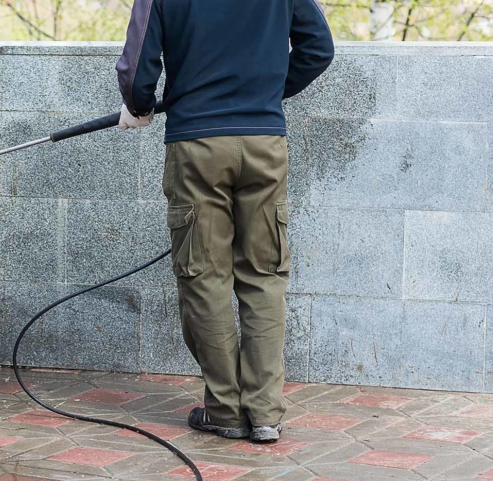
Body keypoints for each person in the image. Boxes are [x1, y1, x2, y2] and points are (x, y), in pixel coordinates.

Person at [115, 0, 334, 443]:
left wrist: (139, 106)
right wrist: (265, 93)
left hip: (196, 144)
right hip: (264, 143)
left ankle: (226, 412)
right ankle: (265, 413)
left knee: (203, 276)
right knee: (265, 275)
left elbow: (138, 70)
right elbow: (318, 49)